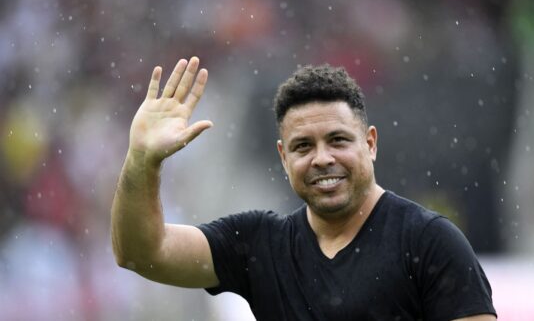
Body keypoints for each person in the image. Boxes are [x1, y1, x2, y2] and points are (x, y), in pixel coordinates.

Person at [111, 56, 497, 320]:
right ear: (283, 157)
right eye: (303, 146)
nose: (322, 158)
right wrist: (142, 161)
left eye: (338, 140)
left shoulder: (429, 243)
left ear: (371, 143)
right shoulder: (258, 244)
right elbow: (142, 252)